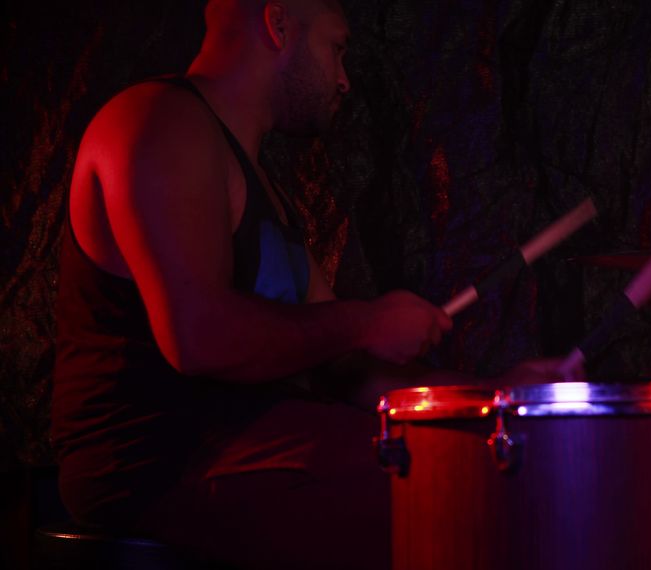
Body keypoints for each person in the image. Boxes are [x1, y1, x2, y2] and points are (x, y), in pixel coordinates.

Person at [51, 0, 577, 567]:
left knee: (490, 468)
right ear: (279, 26)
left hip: (256, 443)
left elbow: (351, 371)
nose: (345, 79)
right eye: (337, 47)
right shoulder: (158, 121)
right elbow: (197, 336)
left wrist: (496, 398)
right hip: (158, 463)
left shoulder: (263, 188)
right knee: (455, 491)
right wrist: (366, 321)